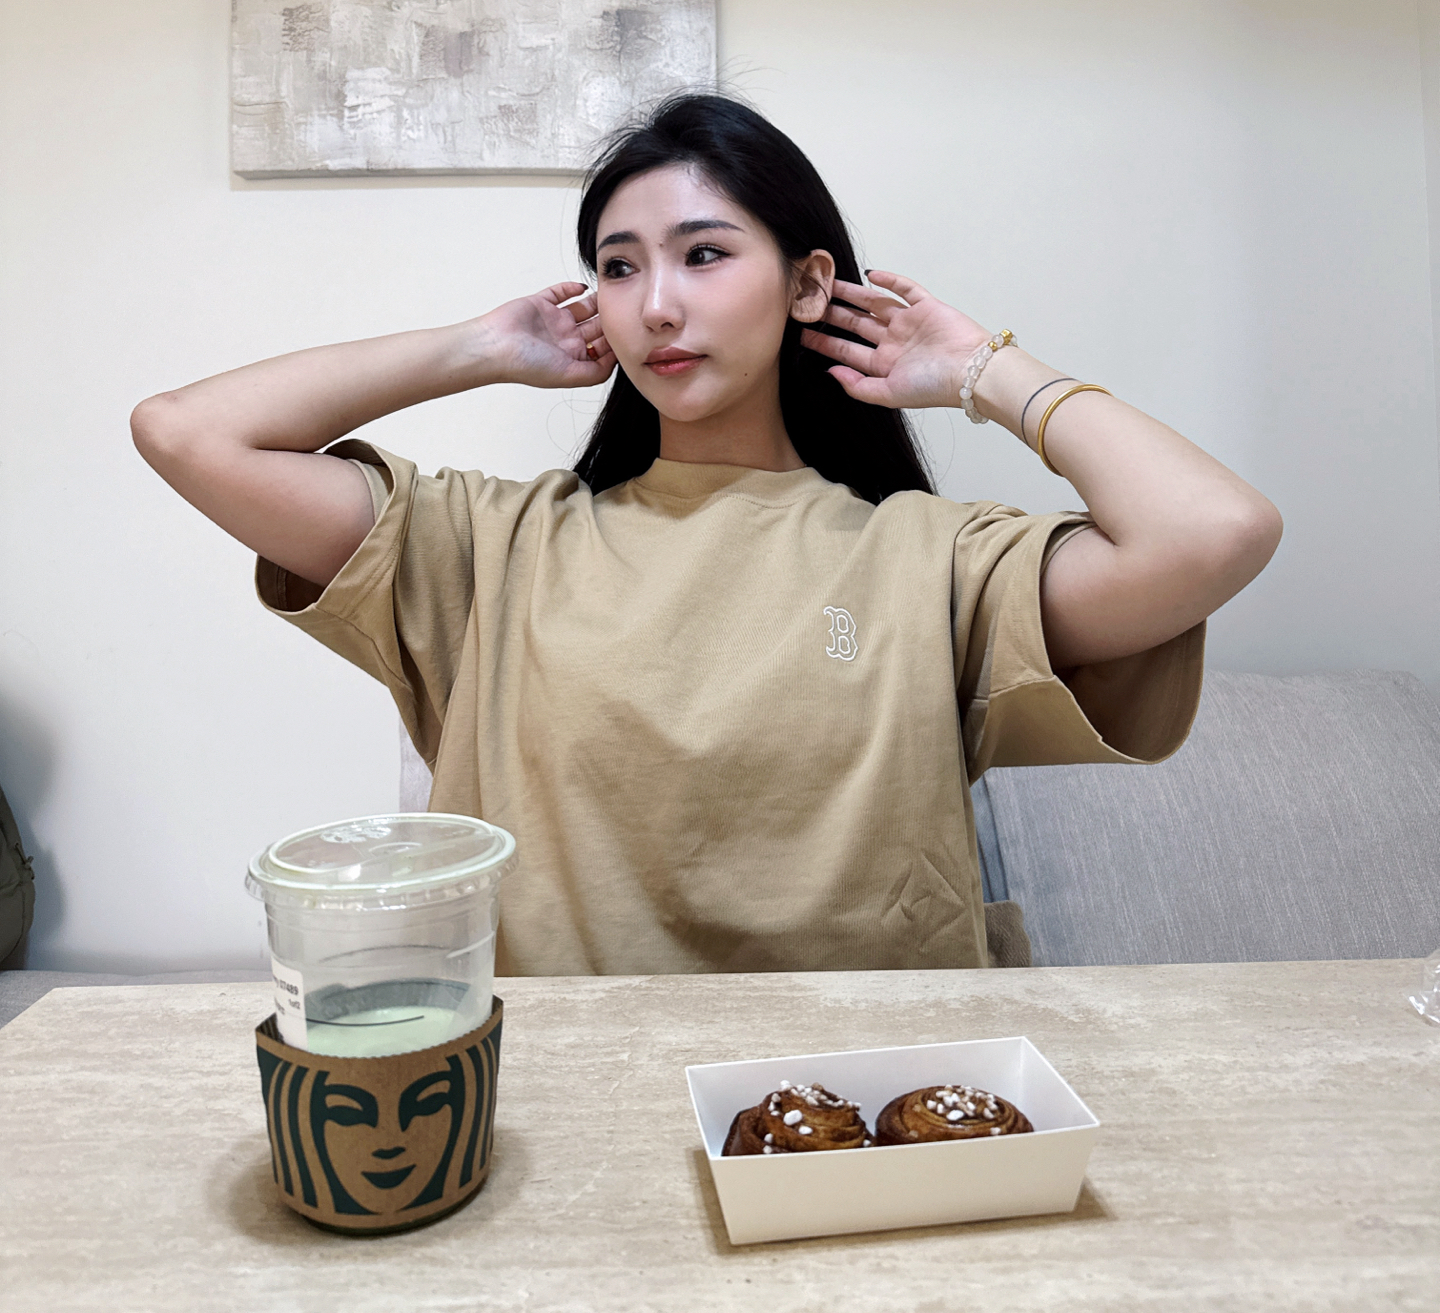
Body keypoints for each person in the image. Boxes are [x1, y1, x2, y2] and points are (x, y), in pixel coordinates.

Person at [131, 93, 1281, 977]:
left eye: (704, 253)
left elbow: (1216, 530)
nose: (655, 305)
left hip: (863, 1113)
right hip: (570, 1113)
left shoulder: (933, 558)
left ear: (808, 283)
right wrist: (477, 347)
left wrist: (985, 371)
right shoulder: (491, 547)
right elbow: (186, 432)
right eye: (618, 268)